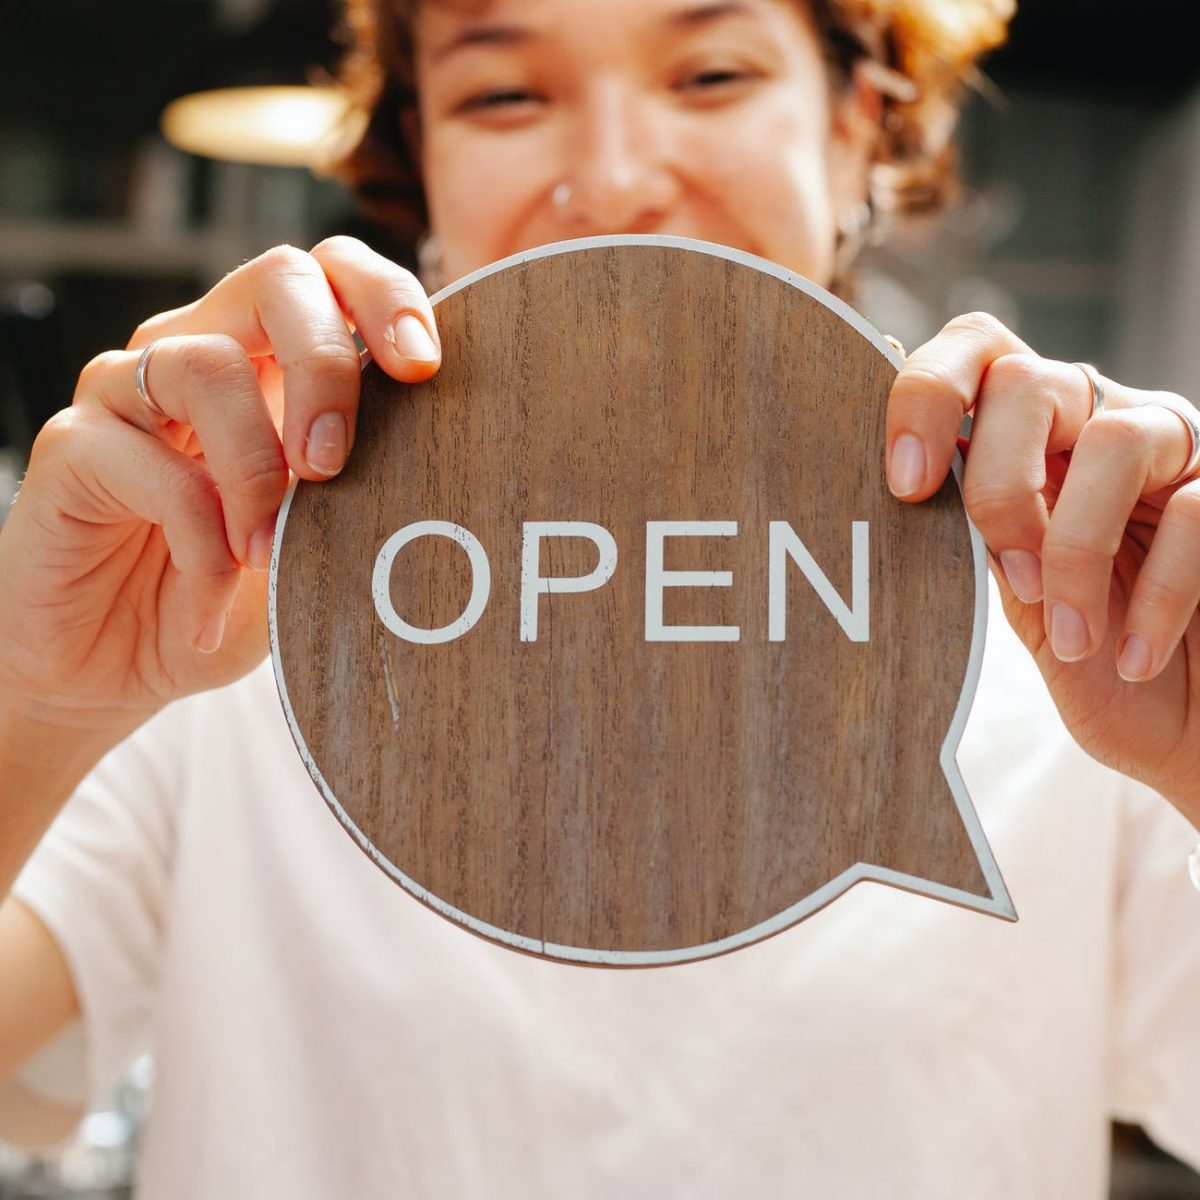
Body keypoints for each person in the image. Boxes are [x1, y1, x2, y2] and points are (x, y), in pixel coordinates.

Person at [1, 0, 1199, 1194]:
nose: (615, 178)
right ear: (422, 165)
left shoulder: (1079, 632)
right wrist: (35, 698)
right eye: (506, 96)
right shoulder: (229, 613)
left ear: (853, 131)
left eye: (712, 74)